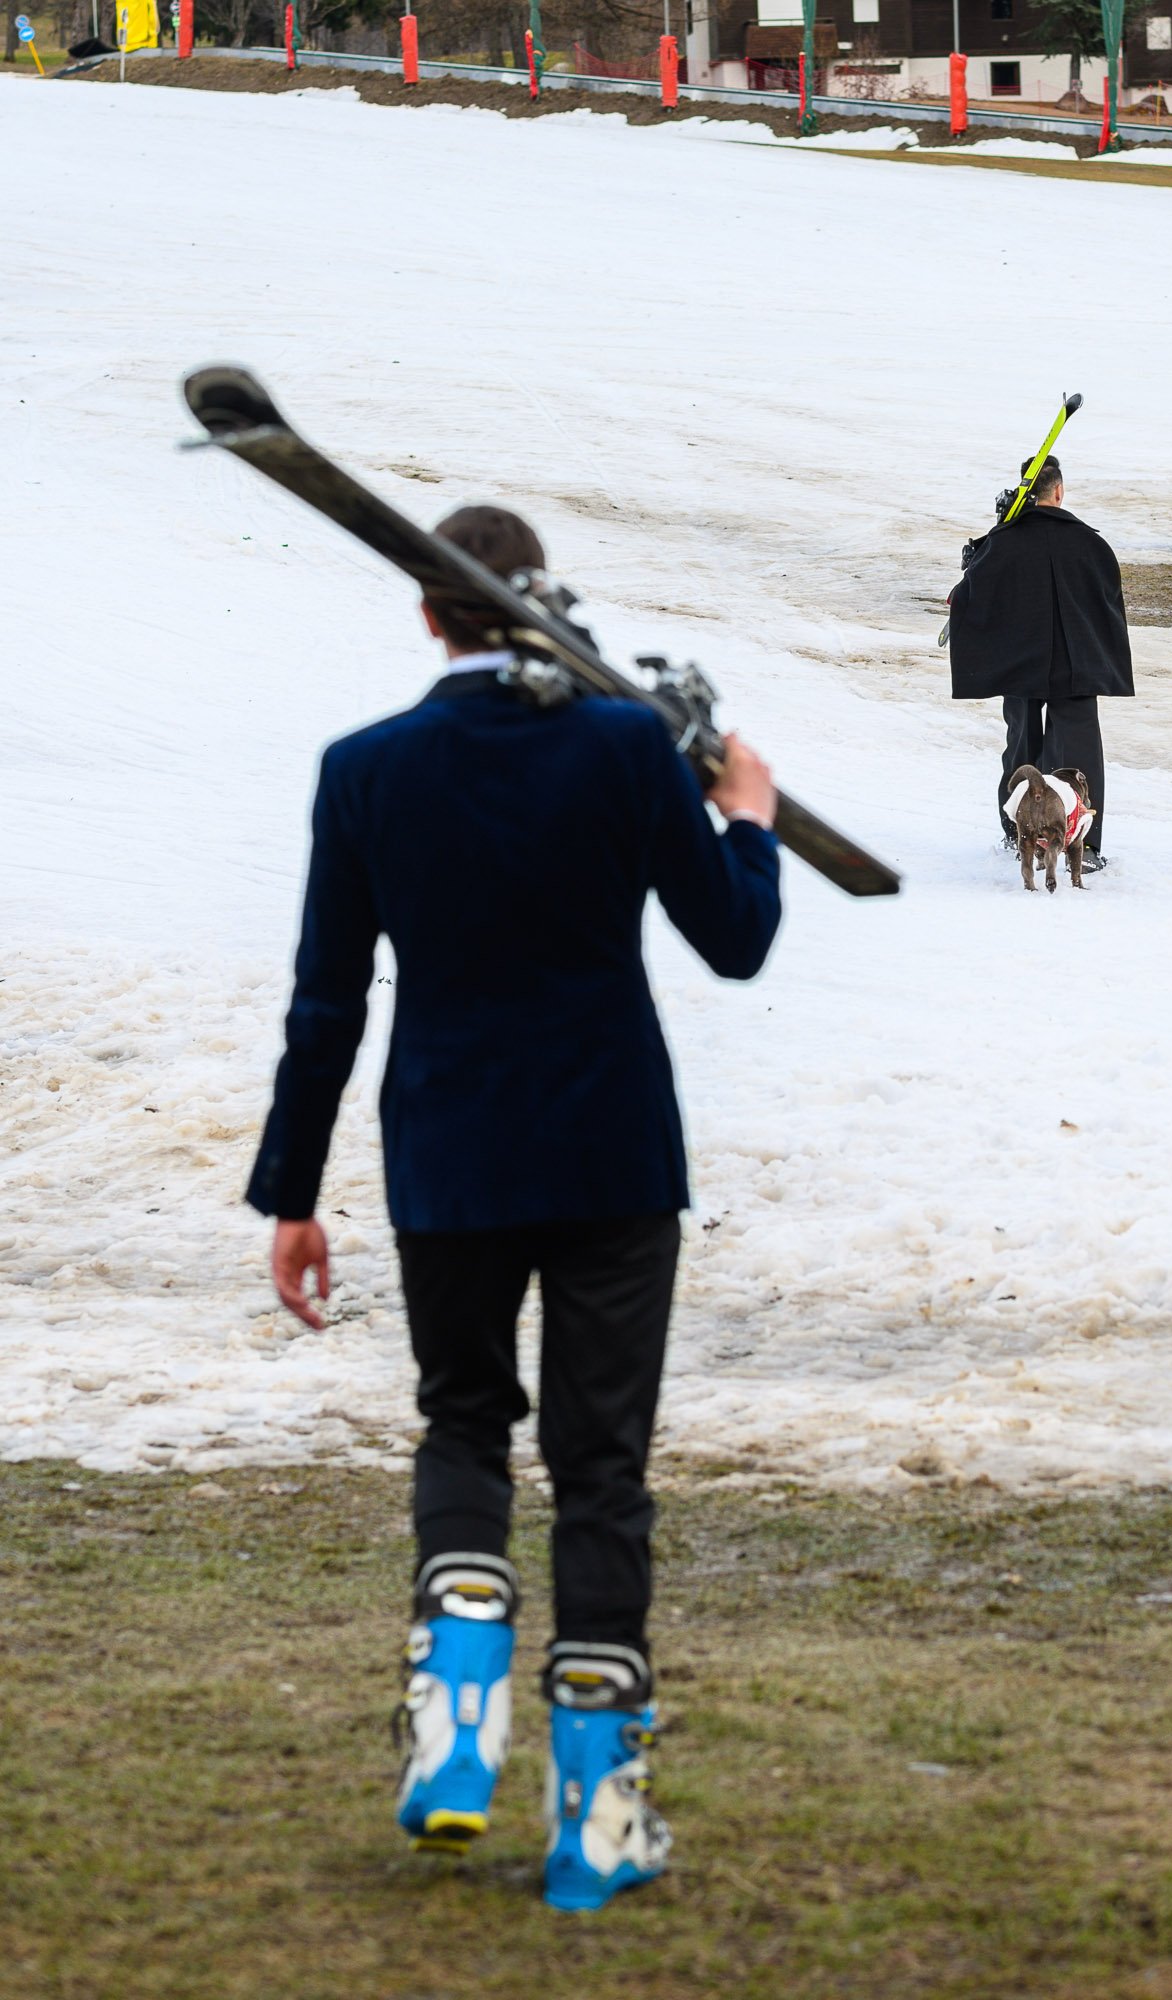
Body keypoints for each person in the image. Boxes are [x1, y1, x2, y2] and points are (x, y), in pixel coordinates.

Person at [244, 504, 782, 1912]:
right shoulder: (623, 748)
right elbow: (733, 940)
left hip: (452, 1154)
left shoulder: (364, 768)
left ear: (430, 615)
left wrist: (292, 1193)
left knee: (465, 1421)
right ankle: (598, 1821)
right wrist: (747, 819)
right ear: (538, 601)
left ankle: (455, 1727)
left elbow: (325, 1002)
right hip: (611, 1155)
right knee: (600, 1468)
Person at [948, 454, 1134, 871]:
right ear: (1059, 491)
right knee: (1077, 753)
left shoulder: (1003, 542)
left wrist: (978, 555)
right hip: (1078, 662)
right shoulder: (1091, 543)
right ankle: (1082, 847)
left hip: (1020, 662)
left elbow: (969, 599)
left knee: (1023, 748)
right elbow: (1107, 603)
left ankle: (1021, 837)